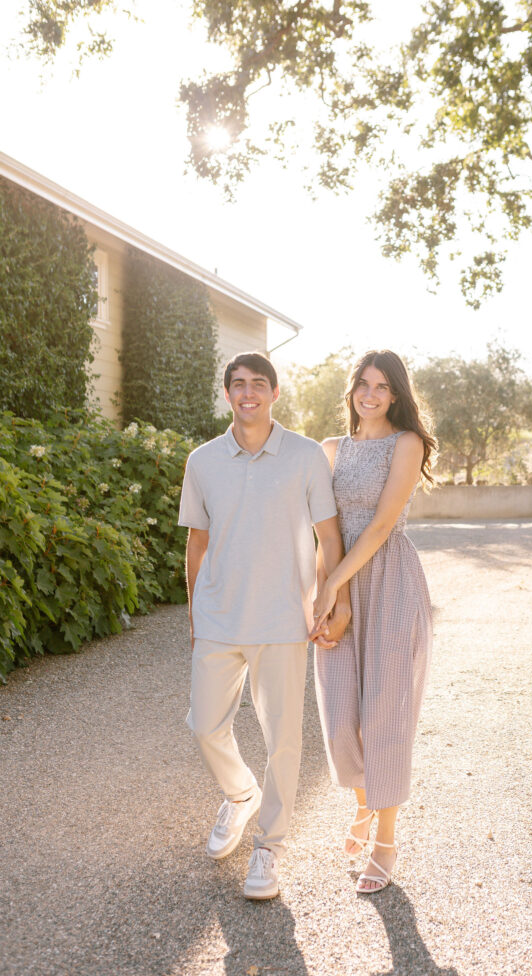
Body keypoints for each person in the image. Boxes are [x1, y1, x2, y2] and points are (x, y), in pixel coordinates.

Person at [178, 351, 350, 900]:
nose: (247, 393)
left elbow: (330, 536)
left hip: (282, 617)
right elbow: (196, 541)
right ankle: (239, 794)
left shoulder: (304, 457)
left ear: (275, 393)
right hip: (220, 616)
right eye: (237, 384)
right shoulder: (202, 460)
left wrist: (332, 599)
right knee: (205, 725)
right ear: (226, 394)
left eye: (258, 384)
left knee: (283, 740)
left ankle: (268, 848)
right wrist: (194, 610)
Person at [311, 349, 436, 894]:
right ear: (352, 391)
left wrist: (337, 582)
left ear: (396, 395)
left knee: (385, 714)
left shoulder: (406, 444)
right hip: (339, 581)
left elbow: (383, 524)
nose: (370, 394)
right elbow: (325, 531)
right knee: (340, 716)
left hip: (389, 581)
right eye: (363, 384)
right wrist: (327, 596)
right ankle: (362, 804)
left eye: (382, 387)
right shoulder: (330, 449)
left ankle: (385, 842)